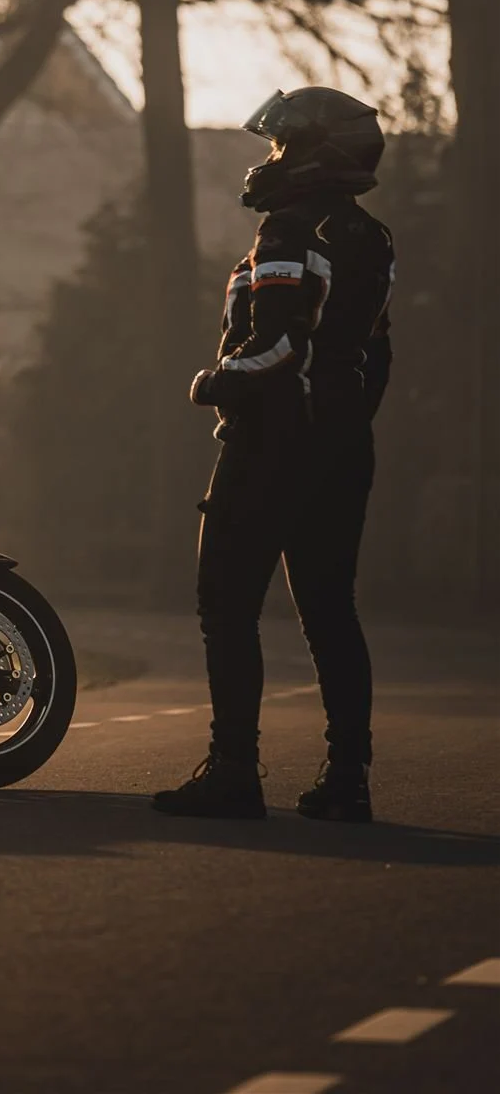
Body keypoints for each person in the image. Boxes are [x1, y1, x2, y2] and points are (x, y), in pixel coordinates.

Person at [152, 86, 394, 824]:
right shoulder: (372, 238)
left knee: (224, 605)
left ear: (317, 152)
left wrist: (212, 382)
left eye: (282, 146)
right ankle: (347, 777)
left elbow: (280, 345)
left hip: (269, 446)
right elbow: (373, 357)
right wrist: (341, 424)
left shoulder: (286, 231)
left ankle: (233, 770)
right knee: (328, 609)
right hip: (343, 447)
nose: (270, 159)